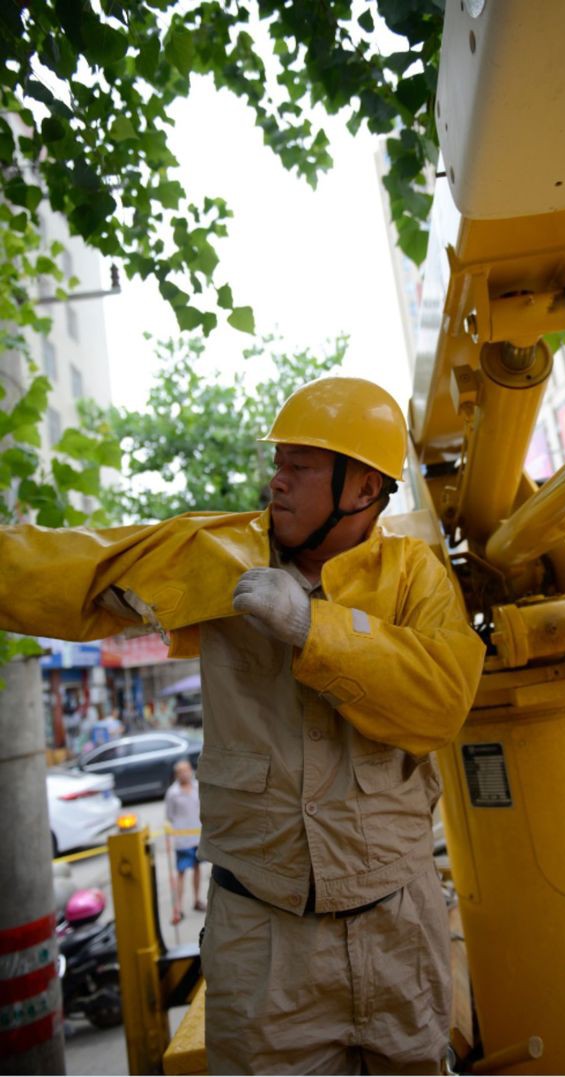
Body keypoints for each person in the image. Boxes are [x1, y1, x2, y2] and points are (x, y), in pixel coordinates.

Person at [0, 376, 485, 1075]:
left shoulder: (415, 575)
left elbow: (441, 697)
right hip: (265, 942)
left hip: (397, 927)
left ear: (362, 488)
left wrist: (312, 626)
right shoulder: (219, 556)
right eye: (278, 461)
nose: (276, 480)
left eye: (299, 465)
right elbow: (82, 566)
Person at [164, 759, 204, 924]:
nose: (185, 773)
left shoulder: (197, 787)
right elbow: (170, 815)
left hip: (198, 837)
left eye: (187, 770)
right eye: (181, 771)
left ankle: (197, 900)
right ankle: (178, 907)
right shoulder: (173, 793)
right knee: (181, 872)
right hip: (183, 839)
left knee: (197, 869)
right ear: (176, 774)